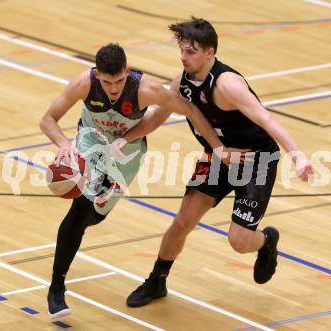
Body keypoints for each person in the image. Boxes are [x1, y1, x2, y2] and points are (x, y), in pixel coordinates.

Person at [114, 17, 314, 308]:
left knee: (239, 242)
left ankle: (266, 241)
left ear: (210, 52)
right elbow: (155, 119)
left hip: (254, 160)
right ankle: (156, 280)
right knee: (182, 221)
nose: (183, 57)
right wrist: (122, 139)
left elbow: (266, 119)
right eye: (181, 50)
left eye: (191, 52)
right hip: (217, 157)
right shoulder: (181, 83)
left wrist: (298, 155)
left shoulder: (228, 85)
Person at [39, 43, 243, 318]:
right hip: (91, 140)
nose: (113, 88)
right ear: (97, 74)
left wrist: (218, 148)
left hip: (128, 150)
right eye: (107, 81)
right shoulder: (82, 84)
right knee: (80, 209)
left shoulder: (148, 90)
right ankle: (56, 287)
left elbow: (192, 111)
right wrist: (64, 143)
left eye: (119, 80)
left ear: (128, 71)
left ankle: (79, 228)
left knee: (94, 217)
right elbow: (48, 119)